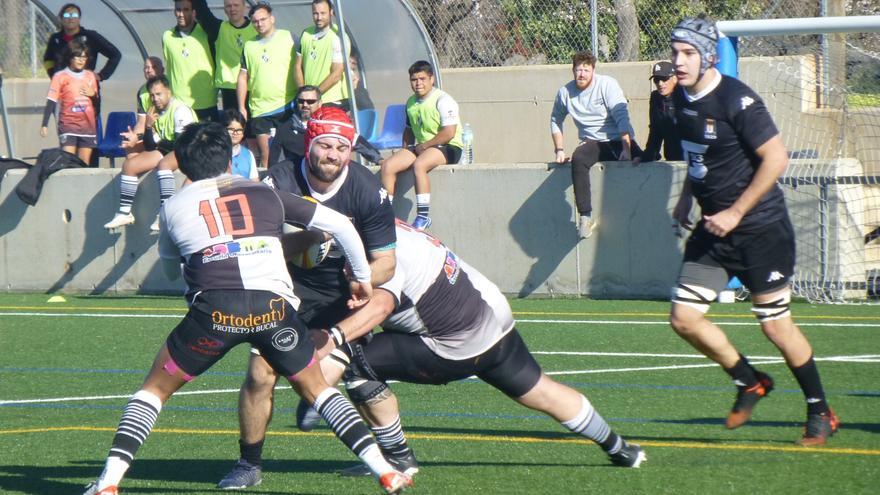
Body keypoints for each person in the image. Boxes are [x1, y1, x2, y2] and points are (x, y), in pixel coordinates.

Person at [81, 121, 411, 495]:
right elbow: (341, 226)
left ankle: (108, 483)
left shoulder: (172, 207)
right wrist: (362, 278)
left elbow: (173, 270)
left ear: (183, 166)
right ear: (230, 159)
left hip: (215, 314)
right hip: (272, 309)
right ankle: (384, 470)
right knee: (318, 389)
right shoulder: (265, 192)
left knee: (153, 392)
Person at [304, 221, 647, 476]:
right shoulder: (389, 226)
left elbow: (378, 308)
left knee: (357, 361)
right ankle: (620, 449)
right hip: (495, 317)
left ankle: (398, 458)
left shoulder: (380, 252)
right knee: (540, 390)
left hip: (455, 342)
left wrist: (333, 342)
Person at [667, 15, 838, 445]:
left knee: (775, 326)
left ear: (708, 56)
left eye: (688, 53)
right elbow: (698, 155)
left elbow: (776, 158)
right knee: (684, 319)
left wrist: (735, 213)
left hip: (761, 228)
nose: (678, 61)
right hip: (714, 229)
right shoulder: (681, 100)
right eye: (674, 53)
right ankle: (749, 381)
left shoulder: (736, 99)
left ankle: (820, 410)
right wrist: (687, 196)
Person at [217, 106, 397, 490]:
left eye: (342, 147)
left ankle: (396, 456)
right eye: (325, 145)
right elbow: (256, 247)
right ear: (308, 144)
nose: (333, 154)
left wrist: (360, 276)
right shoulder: (277, 182)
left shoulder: (368, 190)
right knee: (260, 373)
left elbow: (387, 262)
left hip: (345, 295)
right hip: (288, 286)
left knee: (330, 380)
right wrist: (306, 239)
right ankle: (248, 463)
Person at [550, 51, 641, 240]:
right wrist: (559, 150)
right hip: (592, 143)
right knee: (579, 158)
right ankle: (585, 217)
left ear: (593, 70)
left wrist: (626, 149)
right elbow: (555, 120)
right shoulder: (565, 93)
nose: (581, 74)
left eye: (586, 70)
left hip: (617, 140)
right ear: (572, 71)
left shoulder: (607, 85)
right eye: (578, 70)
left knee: (648, 159)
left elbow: (622, 117)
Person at [103, 76, 197, 233]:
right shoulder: (154, 113)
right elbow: (150, 145)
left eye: (159, 94)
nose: (155, 99)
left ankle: (165, 214)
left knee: (164, 165)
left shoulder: (180, 109)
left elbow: (181, 143)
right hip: (167, 148)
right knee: (129, 165)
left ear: (169, 92)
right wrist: (147, 127)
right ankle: (124, 212)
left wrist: (159, 142)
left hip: (188, 149)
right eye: (152, 95)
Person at [379, 60, 463, 231]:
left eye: (422, 79)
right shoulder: (410, 102)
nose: (418, 83)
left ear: (432, 79)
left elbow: (449, 133)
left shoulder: (443, 100)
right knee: (388, 165)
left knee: (420, 165)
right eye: (414, 80)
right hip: (424, 146)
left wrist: (425, 146)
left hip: (449, 147)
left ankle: (423, 217)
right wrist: (404, 150)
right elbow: (409, 130)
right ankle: (385, 215)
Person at [237, 2, 298, 168]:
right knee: (267, 156)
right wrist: (241, 106)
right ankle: (269, 192)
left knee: (293, 151)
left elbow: (302, 65)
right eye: (255, 21)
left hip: (287, 105)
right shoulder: (249, 46)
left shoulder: (289, 37)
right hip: (260, 109)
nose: (259, 24)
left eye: (263, 19)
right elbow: (243, 76)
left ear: (272, 18)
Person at [268, 85, 381, 166]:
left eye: (310, 101)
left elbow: (359, 142)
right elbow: (275, 164)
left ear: (320, 103)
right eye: (301, 101)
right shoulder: (285, 129)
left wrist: (380, 160)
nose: (305, 105)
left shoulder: (332, 125)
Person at [39, 40, 99, 165]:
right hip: (68, 124)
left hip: (87, 126)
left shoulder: (90, 76)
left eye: (84, 57)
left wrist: (92, 95)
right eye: (78, 56)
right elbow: (51, 100)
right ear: (70, 57)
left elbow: (96, 103)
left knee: (84, 163)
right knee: (68, 160)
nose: (81, 60)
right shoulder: (60, 76)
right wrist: (44, 124)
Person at [192, 0, 258, 112]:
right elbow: (202, 11)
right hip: (229, 90)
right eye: (228, 6)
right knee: (232, 127)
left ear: (245, 7)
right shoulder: (219, 29)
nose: (232, 9)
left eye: (236, 5)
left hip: (253, 89)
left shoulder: (257, 28)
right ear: (224, 9)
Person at [163, 0, 218, 122]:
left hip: (205, 102)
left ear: (193, 12)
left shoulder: (205, 33)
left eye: (185, 10)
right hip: (179, 104)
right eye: (178, 10)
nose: (181, 14)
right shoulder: (167, 36)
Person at [43, 3, 121, 82]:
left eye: (74, 15)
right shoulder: (55, 38)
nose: (71, 18)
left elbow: (115, 54)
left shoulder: (91, 36)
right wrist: (53, 76)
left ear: (79, 19)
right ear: (61, 19)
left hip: (85, 86)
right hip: (62, 87)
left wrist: (101, 75)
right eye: (67, 15)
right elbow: (48, 59)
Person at [295, 0, 349, 110]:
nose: (319, 17)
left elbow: (337, 73)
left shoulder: (339, 37)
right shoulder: (306, 34)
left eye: (323, 13)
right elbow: (297, 66)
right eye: (315, 13)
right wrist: (304, 94)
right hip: (310, 102)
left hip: (332, 100)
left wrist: (315, 94)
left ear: (331, 12)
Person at [641, 61, 683, 162]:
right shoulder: (656, 98)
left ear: (674, 78)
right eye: (656, 80)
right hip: (671, 159)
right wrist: (648, 156)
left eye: (664, 79)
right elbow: (655, 131)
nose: (660, 83)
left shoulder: (684, 96)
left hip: (690, 158)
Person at [127, 56, 165, 155]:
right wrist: (134, 137)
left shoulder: (171, 85)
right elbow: (141, 123)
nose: (149, 70)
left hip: (169, 137)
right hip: (153, 134)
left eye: (154, 67)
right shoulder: (142, 92)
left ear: (162, 70)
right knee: (131, 150)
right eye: (146, 67)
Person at [221, 109, 258, 180]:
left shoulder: (248, 154)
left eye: (239, 130)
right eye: (231, 129)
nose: (235, 133)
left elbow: (254, 180)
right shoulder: (214, 152)